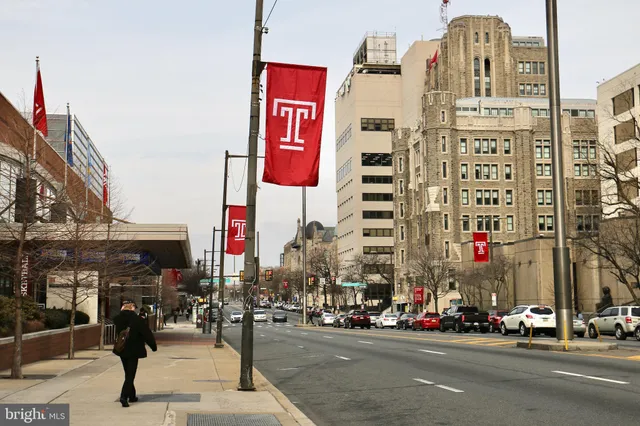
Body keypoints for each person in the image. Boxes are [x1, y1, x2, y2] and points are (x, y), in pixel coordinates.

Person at [113, 300, 157, 408]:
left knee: (128, 373)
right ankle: (124, 396)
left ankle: (132, 395)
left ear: (123, 307)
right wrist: (153, 346)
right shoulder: (138, 320)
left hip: (122, 349)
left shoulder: (118, 319)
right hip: (134, 350)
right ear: (132, 307)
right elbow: (147, 334)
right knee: (130, 374)